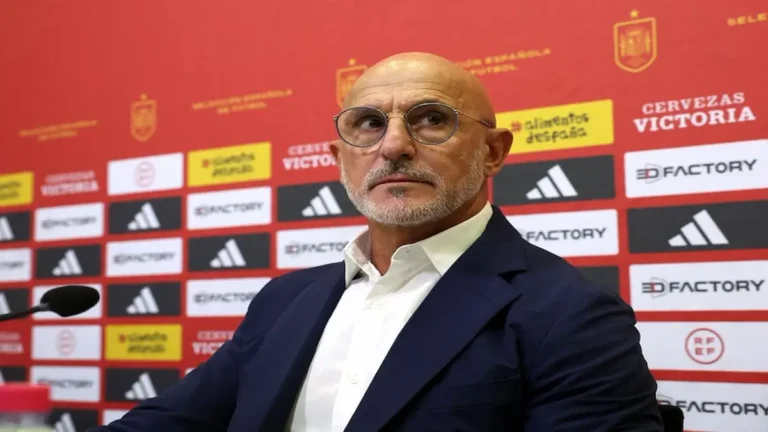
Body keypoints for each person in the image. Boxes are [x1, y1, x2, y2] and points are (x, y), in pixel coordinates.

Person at [90, 52, 663, 431]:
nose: (393, 146)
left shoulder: (569, 314)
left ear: (493, 151)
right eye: (367, 123)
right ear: (340, 159)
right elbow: (173, 422)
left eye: (431, 119)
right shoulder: (285, 299)